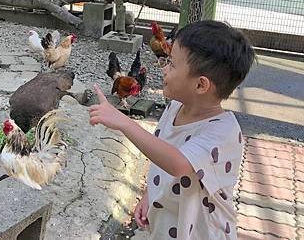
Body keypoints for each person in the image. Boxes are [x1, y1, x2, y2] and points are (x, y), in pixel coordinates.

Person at [88, 21, 255, 240]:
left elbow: (178, 164)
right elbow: (161, 155)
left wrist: (124, 122)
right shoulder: (175, 108)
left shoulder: (223, 133)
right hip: (167, 228)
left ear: (201, 85)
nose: (164, 68)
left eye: (172, 64)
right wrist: (149, 195)